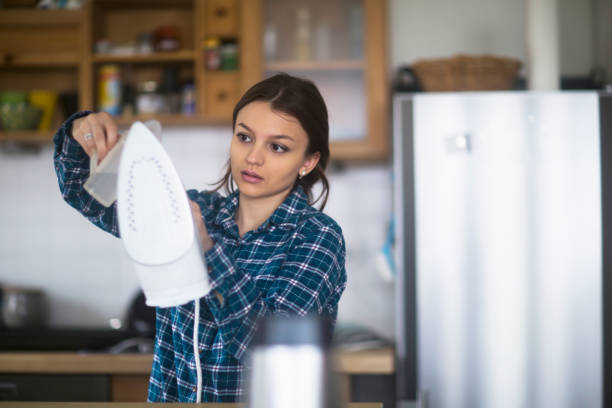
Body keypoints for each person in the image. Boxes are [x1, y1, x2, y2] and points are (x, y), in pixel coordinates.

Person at [53, 73, 347, 402]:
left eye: (277, 147)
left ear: (308, 161)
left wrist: (208, 250)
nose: (253, 157)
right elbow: (86, 196)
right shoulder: (194, 210)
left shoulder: (318, 238)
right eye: (245, 137)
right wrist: (82, 135)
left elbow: (265, 349)